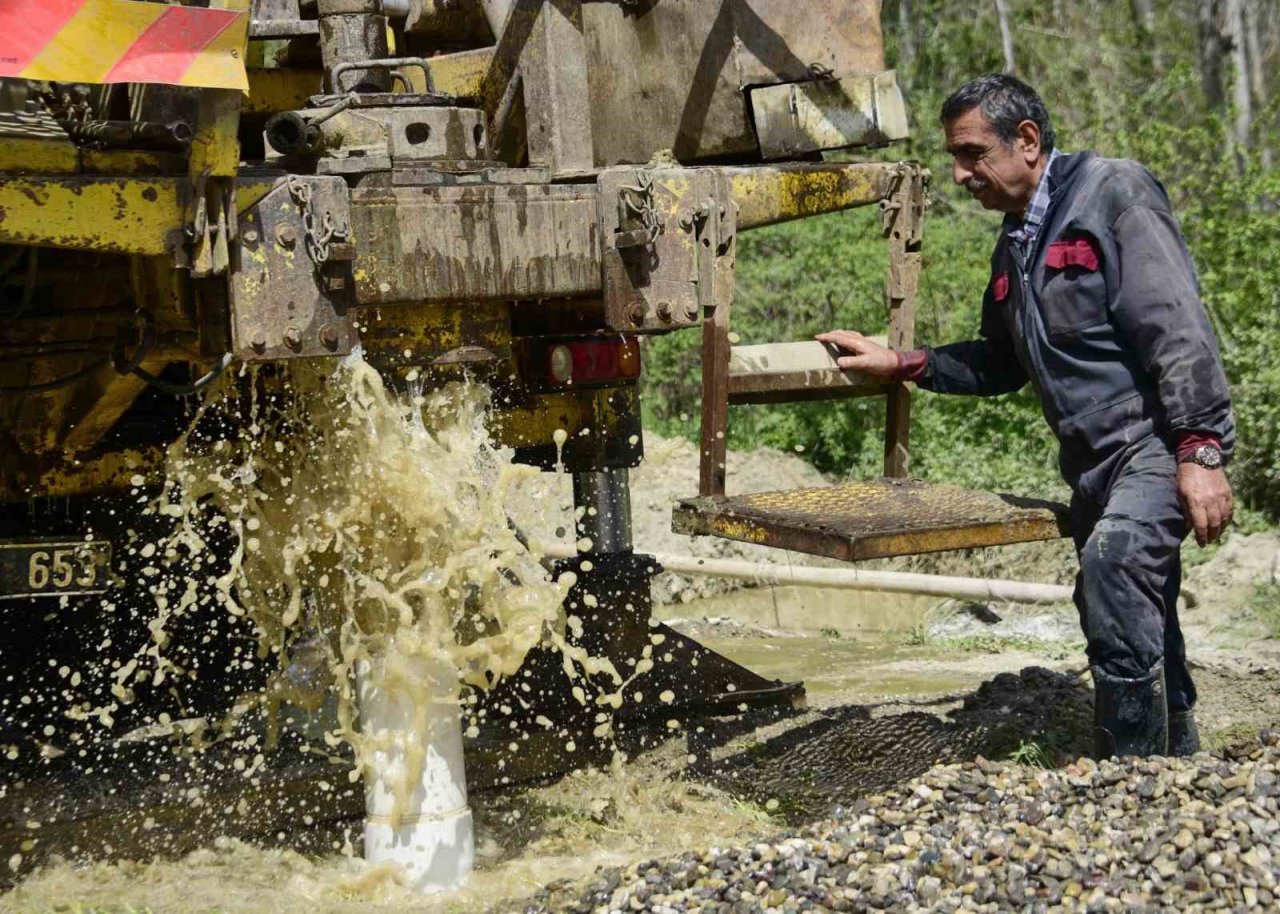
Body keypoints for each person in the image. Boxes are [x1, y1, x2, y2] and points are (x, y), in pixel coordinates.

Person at [818, 73, 1235, 760]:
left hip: (1153, 442)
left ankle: (1128, 774)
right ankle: (1176, 759)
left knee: (1115, 564)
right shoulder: (1016, 241)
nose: (959, 174)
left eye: (972, 154)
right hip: (1093, 463)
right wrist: (902, 363)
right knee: (1130, 601)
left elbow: (1178, 329)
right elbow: (999, 363)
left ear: (1028, 141)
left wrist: (1200, 449)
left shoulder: (1113, 194)